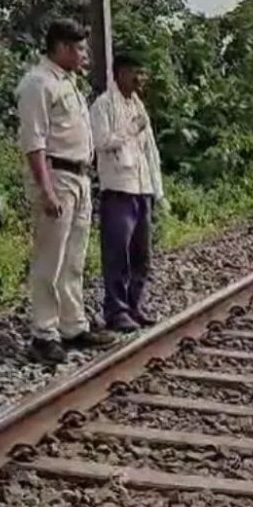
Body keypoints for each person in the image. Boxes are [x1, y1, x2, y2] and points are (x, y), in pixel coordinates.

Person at [17, 19, 118, 363]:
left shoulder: (69, 83)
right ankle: (43, 333)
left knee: (74, 258)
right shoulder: (38, 83)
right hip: (57, 174)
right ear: (60, 48)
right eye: (78, 48)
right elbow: (34, 141)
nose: (84, 55)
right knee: (51, 257)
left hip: (78, 176)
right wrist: (46, 189)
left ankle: (72, 324)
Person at [90, 52, 168, 332]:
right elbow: (101, 141)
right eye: (136, 72)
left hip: (141, 188)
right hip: (119, 189)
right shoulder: (103, 106)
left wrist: (156, 191)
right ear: (120, 73)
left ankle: (134, 304)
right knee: (117, 253)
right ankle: (116, 309)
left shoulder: (139, 106)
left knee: (141, 254)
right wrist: (129, 129)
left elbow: (150, 152)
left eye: (143, 73)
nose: (140, 79)